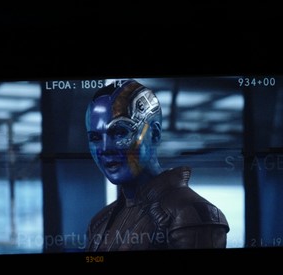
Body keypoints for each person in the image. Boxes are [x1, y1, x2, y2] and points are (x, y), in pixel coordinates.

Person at [84, 79, 230, 252]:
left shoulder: (191, 214)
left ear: (154, 134)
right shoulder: (100, 221)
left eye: (119, 132)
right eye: (95, 138)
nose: (105, 149)